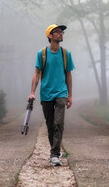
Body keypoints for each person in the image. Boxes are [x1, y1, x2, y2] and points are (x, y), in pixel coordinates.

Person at [28, 24, 75, 166]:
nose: (61, 34)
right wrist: (32, 93)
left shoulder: (66, 54)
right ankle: (56, 150)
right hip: (46, 93)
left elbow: (68, 74)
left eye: (62, 32)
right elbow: (37, 74)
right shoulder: (42, 54)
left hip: (61, 93)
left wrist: (70, 95)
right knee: (50, 125)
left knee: (58, 123)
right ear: (50, 36)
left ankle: (54, 155)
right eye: (58, 32)